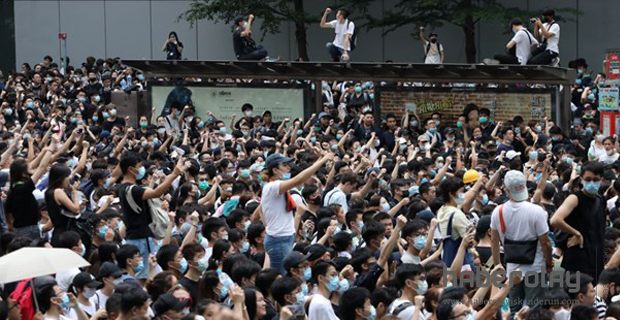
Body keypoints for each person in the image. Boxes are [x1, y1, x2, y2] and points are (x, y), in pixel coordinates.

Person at [260, 152, 333, 274]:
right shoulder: (273, 186)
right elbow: (298, 179)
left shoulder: (273, 187)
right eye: (284, 165)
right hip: (279, 240)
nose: (289, 168)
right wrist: (322, 161)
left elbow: (262, 209)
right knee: (281, 277)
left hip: (282, 238)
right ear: (275, 169)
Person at [490, 170, 553, 312]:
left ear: (506, 189)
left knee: (514, 309)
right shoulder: (536, 211)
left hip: (512, 268)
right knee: (534, 309)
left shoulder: (498, 211)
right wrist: (549, 263)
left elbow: (494, 240)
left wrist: (497, 264)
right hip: (535, 268)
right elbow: (545, 242)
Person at [551, 161, 606, 282]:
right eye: (588, 179)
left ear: (601, 179)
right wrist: (576, 233)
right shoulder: (575, 198)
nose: (592, 183)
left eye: (595, 179)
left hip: (596, 257)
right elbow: (555, 220)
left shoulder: (601, 200)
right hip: (578, 257)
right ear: (581, 179)